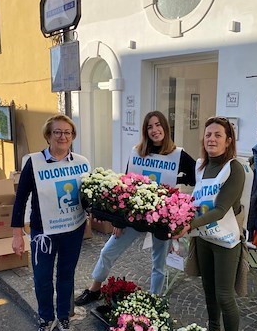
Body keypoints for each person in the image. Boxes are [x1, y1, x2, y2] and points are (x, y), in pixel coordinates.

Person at [75, 111, 196, 306]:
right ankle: (94, 289)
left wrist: (178, 180)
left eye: (158, 125)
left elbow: (195, 176)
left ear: (165, 127)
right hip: (134, 216)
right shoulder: (137, 153)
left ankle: (153, 301)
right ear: (145, 131)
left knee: (158, 264)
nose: (155, 130)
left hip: (161, 218)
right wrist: (118, 220)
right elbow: (126, 186)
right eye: (150, 126)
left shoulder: (177, 155)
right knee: (108, 251)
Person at [11, 114, 90, 331]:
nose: (63, 136)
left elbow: (89, 194)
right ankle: (46, 319)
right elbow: (21, 198)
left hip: (72, 230)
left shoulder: (81, 162)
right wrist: (17, 235)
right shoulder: (34, 162)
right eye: (57, 132)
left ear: (73, 136)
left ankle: (64, 318)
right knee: (43, 278)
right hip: (43, 233)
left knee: (66, 276)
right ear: (48, 136)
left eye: (67, 132)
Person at [174, 116, 245, 331]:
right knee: (208, 291)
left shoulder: (234, 168)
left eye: (217, 135)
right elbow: (198, 199)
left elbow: (221, 209)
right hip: (204, 238)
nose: (211, 139)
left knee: (224, 295)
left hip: (225, 241)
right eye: (208, 135)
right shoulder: (200, 165)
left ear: (228, 141)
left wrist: (189, 225)